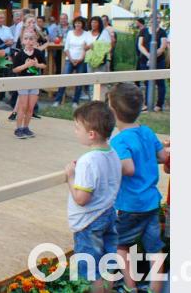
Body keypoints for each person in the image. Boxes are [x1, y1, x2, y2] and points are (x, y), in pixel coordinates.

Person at [107, 83, 168, 293]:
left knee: (120, 245)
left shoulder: (119, 140)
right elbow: (162, 156)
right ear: (141, 107)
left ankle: (130, 286)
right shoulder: (148, 132)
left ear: (113, 112)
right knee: (155, 249)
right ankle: (156, 289)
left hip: (130, 205)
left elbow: (128, 168)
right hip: (151, 202)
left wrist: (107, 165)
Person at [65, 101, 121, 290]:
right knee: (107, 264)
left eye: (77, 127)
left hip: (89, 222)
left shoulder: (88, 161)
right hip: (108, 214)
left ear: (91, 134)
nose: (75, 131)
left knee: (89, 272)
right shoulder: (112, 153)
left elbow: (81, 199)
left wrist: (71, 177)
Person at [11, 30, 47, 139]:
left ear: (35, 40)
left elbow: (44, 65)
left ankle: (26, 127)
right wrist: (26, 65)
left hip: (35, 83)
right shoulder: (20, 54)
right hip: (23, 83)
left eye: (31, 38)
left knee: (30, 107)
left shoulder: (38, 53)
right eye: (26, 38)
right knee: (23, 106)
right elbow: (15, 69)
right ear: (22, 41)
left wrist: (36, 64)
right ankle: (18, 128)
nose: (29, 41)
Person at [53, 16, 92, 108]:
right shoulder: (70, 33)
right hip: (69, 59)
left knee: (79, 81)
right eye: (76, 23)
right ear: (74, 24)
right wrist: (71, 59)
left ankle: (75, 101)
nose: (77, 24)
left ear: (82, 24)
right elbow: (66, 48)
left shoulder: (86, 34)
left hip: (81, 60)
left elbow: (86, 48)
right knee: (64, 79)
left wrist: (80, 59)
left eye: (79, 23)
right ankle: (57, 100)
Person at [137, 17, 168, 111]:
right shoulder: (143, 31)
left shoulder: (162, 32)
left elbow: (163, 47)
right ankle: (146, 104)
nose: (156, 20)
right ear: (150, 20)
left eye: (158, 19)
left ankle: (159, 105)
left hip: (159, 61)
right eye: (154, 18)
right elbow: (140, 45)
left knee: (160, 83)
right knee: (147, 82)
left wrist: (153, 57)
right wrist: (148, 55)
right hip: (144, 60)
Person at [85, 16, 113, 100]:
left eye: (95, 22)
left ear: (99, 24)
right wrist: (89, 47)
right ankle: (92, 99)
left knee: (102, 82)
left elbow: (109, 46)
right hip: (90, 60)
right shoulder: (87, 33)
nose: (93, 24)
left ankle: (103, 100)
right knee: (91, 81)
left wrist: (97, 47)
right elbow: (84, 47)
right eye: (92, 22)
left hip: (102, 61)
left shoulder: (104, 33)